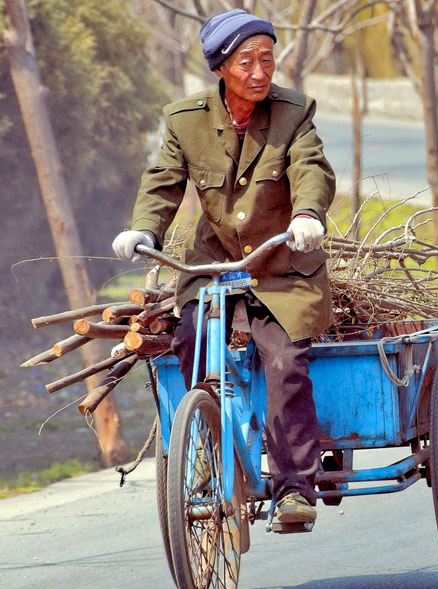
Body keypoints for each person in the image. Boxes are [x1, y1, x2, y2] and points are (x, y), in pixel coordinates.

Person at [112, 9, 336, 525]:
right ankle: (208, 459)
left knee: (284, 361)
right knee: (191, 343)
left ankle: (294, 489)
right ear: (220, 67)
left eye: (266, 60)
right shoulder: (185, 120)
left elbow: (311, 169)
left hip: (282, 269)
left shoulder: (293, 113)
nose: (259, 72)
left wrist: (306, 214)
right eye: (246, 62)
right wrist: (145, 229)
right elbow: (163, 182)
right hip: (213, 270)